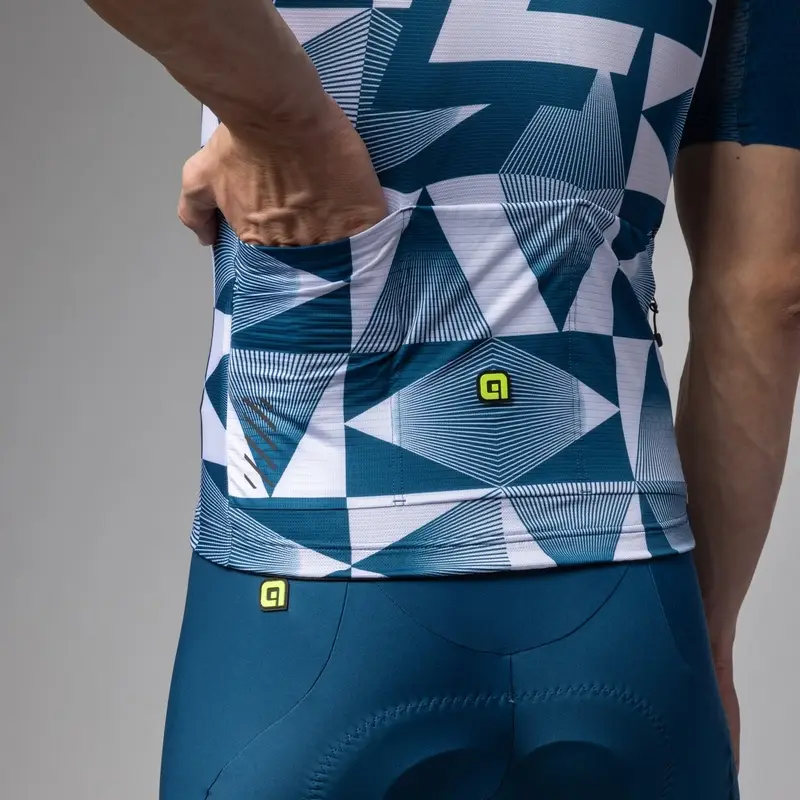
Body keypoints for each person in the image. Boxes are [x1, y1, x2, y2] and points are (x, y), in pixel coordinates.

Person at [83, 0, 799, 797]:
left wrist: (284, 121)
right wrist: (707, 636)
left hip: (305, 576)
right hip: (632, 605)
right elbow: (767, 292)